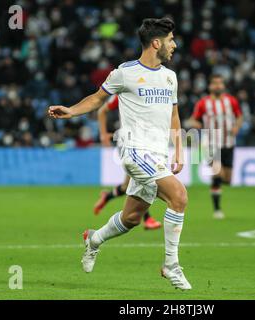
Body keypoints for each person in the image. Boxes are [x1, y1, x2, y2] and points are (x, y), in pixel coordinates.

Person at [48, 17, 191, 290]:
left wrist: (179, 151)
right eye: (171, 40)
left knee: (132, 218)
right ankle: (171, 266)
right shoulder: (124, 73)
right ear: (156, 43)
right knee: (179, 196)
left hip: (158, 154)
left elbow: (174, 115)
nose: (174, 45)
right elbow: (97, 99)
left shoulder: (170, 77)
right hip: (134, 150)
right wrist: (71, 110)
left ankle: (93, 239)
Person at [94, 94, 162, 230]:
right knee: (142, 179)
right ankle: (148, 219)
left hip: (146, 142)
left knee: (127, 186)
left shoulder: (151, 94)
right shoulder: (123, 93)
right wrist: (103, 135)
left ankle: (107, 196)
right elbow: (102, 111)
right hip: (128, 143)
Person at [189, 74, 243, 219]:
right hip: (212, 143)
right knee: (217, 174)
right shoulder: (203, 103)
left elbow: (239, 116)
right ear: (210, 86)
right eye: (215, 83)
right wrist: (200, 125)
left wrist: (237, 126)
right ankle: (217, 209)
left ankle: (217, 187)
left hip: (229, 143)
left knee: (227, 180)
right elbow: (192, 120)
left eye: (220, 83)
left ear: (223, 86)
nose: (218, 86)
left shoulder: (231, 101)